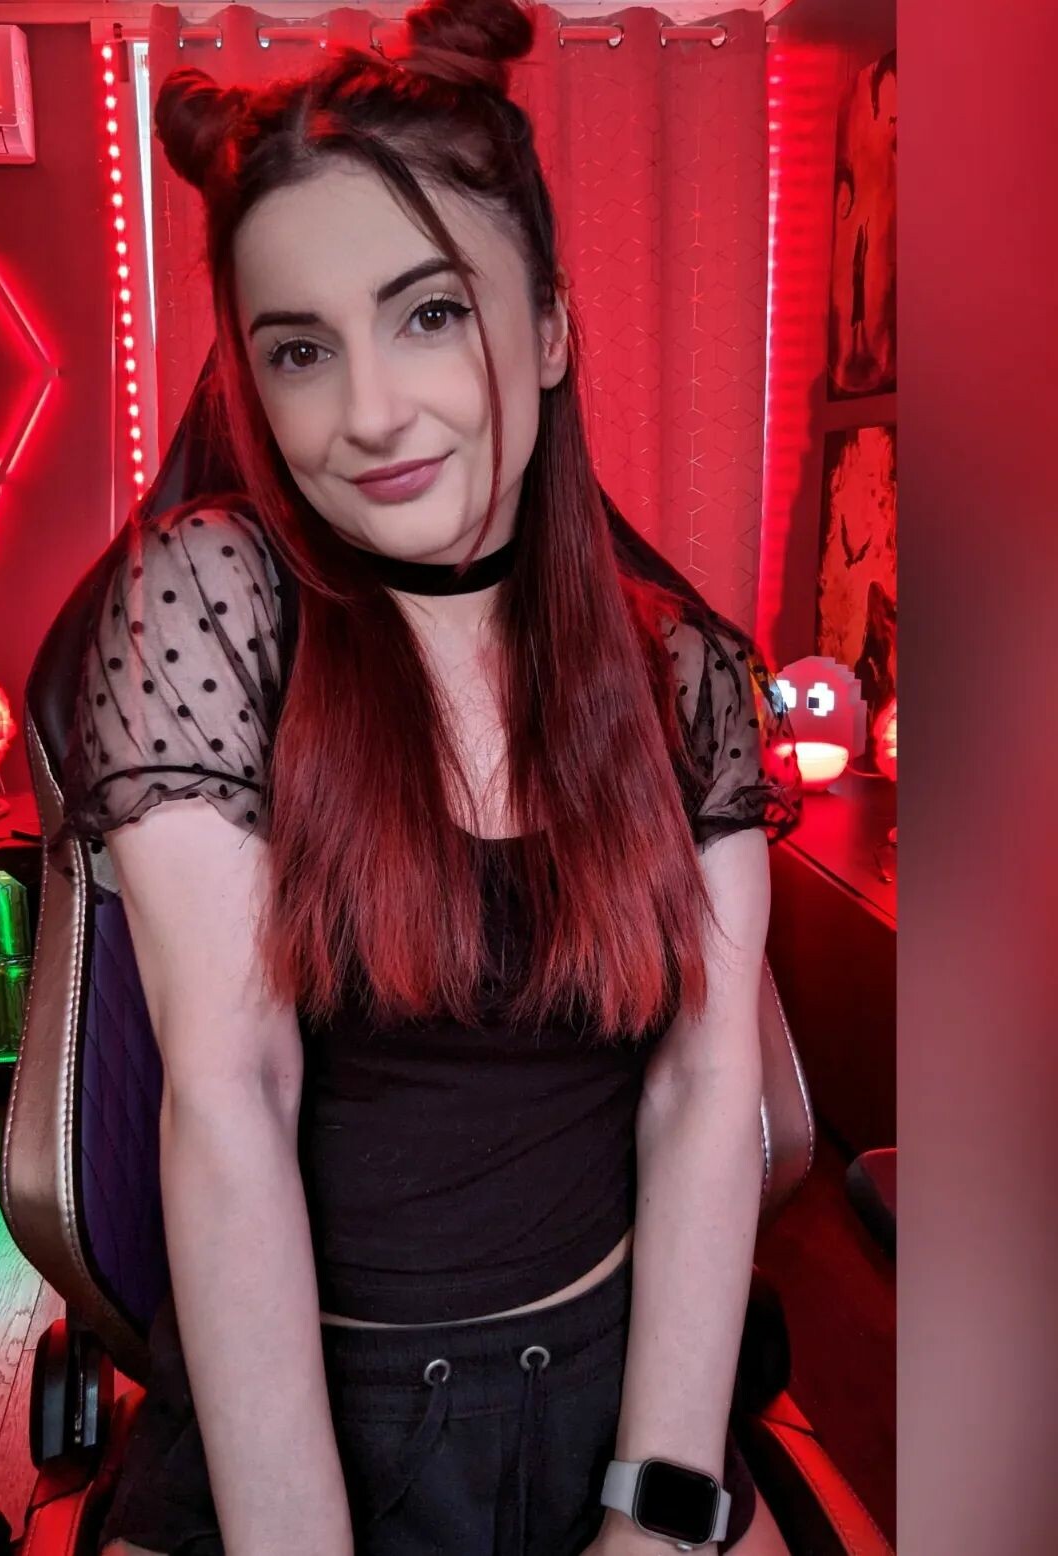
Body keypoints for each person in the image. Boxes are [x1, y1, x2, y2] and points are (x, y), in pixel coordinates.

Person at [53, 1, 803, 1552]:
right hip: (296, 1420)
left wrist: (659, 1511)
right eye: (301, 351)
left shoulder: (687, 676)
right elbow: (234, 1094)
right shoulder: (210, 607)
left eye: (431, 315)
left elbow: (702, 1087)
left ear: (550, 329)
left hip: (622, 1397)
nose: (371, 413)